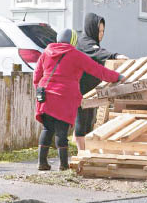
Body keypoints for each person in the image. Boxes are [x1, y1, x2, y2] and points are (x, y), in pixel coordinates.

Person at [33, 28, 123, 171]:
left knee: (47, 128)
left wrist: (40, 87)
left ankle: (42, 163)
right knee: (62, 131)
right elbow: (97, 69)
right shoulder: (75, 55)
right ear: (73, 40)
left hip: (45, 96)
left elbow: (37, 75)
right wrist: (116, 76)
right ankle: (63, 165)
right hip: (64, 96)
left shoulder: (46, 53)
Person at [73, 13, 128, 151]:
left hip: (90, 90)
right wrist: (115, 55)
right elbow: (98, 53)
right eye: (99, 31)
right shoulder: (85, 42)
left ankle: (86, 149)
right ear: (92, 29)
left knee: (89, 120)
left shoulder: (92, 43)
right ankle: (81, 152)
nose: (101, 34)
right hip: (80, 89)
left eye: (103, 31)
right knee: (82, 121)